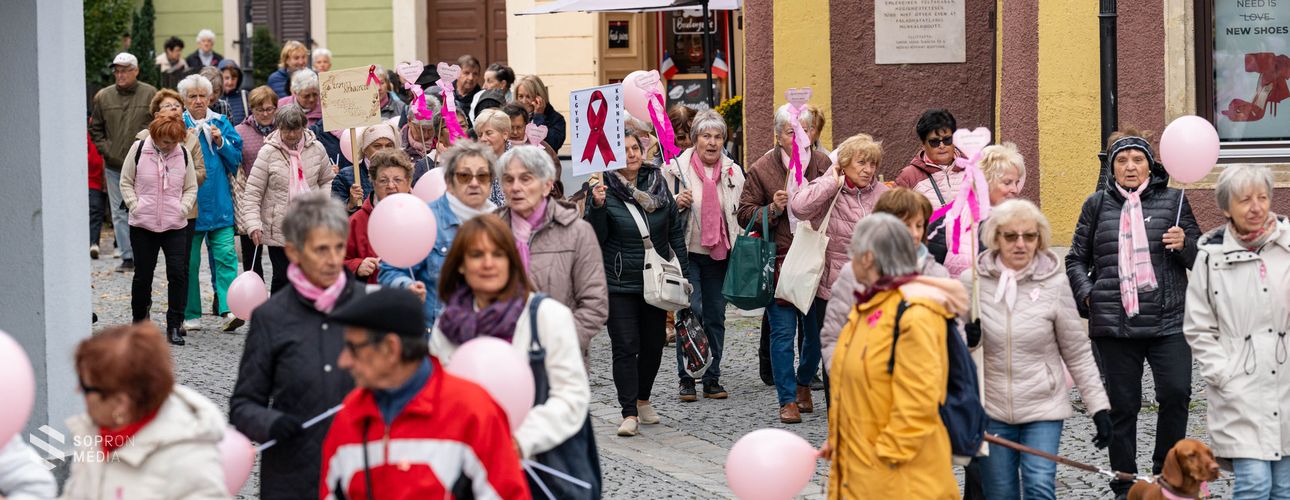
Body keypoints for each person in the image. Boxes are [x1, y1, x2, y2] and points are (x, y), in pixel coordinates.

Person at [1065, 128, 1202, 498]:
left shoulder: (1174, 200)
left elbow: (1199, 256)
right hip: (1114, 324)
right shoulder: (1096, 205)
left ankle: (1167, 475)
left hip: (1169, 320)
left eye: (1137, 159)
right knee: (1123, 407)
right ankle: (1124, 484)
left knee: (1176, 394)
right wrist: (1088, 295)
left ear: (1149, 165)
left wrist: (1184, 244)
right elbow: (1076, 259)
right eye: (1121, 160)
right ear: (1112, 167)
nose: (1129, 167)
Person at [319, 288, 530, 498]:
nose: (343, 361)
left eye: (353, 348)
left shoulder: (472, 411)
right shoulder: (350, 415)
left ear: (391, 349)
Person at [966, 199, 1113, 499]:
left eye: (1029, 236)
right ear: (995, 238)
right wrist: (966, 339)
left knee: (1038, 485)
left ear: (1039, 239)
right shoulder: (972, 283)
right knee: (1000, 493)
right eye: (1011, 236)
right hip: (991, 408)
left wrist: (1098, 407)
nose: (1020, 244)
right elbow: (949, 351)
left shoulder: (1055, 284)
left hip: (1042, 407)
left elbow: (1077, 351)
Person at [230, 192, 367, 500]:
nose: (333, 260)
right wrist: (272, 423)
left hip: (359, 471)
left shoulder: (366, 307)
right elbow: (242, 406)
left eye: (338, 247)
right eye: (321, 250)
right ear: (293, 251)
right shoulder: (271, 317)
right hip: (294, 474)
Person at [820, 213, 966, 499]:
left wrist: (884, 456)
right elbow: (855, 388)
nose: (850, 259)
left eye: (854, 252)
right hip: (860, 473)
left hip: (899, 480)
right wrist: (843, 441)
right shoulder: (867, 310)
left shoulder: (915, 315)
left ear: (869, 258)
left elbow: (920, 400)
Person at [429, 215, 591, 461]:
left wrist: (519, 440)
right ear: (460, 264)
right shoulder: (447, 326)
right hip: (467, 463)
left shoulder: (548, 317)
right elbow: (436, 398)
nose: (488, 263)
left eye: (498, 254)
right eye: (476, 255)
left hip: (536, 464)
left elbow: (572, 396)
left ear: (511, 261)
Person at [1184, 164, 1290, 499]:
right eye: (1245, 200)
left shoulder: (1286, 247)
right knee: (1255, 484)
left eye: (1262, 197)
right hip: (1239, 389)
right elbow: (1199, 326)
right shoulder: (1210, 258)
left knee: (1285, 487)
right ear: (1226, 207)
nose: (1256, 207)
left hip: (1286, 384)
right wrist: (1222, 373)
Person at [781, 133, 890, 423]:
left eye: (873, 163)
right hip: (831, 290)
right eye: (862, 162)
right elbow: (799, 206)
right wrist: (833, 179)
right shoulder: (830, 187)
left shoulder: (881, 194)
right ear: (844, 163)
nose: (868, 169)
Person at [586, 131, 687, 435]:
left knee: (654, 344)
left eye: (635, 148)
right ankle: (628, 411)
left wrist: (685, 273)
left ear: (643, 152)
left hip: (655, 280)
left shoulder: (659, 183)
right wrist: (598, 206)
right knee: (625, 345)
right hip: (618, 280)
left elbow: (674, 232)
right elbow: (596, 237)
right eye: (623, 149)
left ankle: (644, 399)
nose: (630, 154)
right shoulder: (602, 186)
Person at [737, 103, 832, 419]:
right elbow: (744, 214)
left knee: (816, 335)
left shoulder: (822, 163)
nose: (799, 137)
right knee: (782, 333)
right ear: (778, 136)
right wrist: (773, 209)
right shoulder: (762, 169)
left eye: (803, 131)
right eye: (792, 131)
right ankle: (787, 399)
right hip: (779, 261)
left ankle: (804, 380)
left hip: (816, 260)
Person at [62, 323, 229, 499]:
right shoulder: (95, 433)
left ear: (121, 403)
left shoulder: (189, 462)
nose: (77, 391)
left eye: (86, 387)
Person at [497, 146, 607, 368]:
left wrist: (560, 342)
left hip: (558, 361)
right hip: (502, 360)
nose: (516, 187)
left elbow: (595, 303)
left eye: (526, 179)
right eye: (508, 179)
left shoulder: (577, 232)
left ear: (547, 185)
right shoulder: (489, 229)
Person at [662, 109, 744, 402]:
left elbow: (740, 214)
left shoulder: (734, 171)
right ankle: (687, 378)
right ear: (695, 139)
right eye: (706, 136)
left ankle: (712, 377)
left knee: (715, 317)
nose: (712, 142)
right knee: (690, 313)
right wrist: (675, 202)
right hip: (686, 255)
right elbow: (659, 210)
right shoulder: (673, 170)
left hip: (719, 257)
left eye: (718, 136)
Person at [821, 187, 950, 369]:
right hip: (868, 385)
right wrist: (847, 375)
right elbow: (834, 336)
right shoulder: (856, 274)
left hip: (920, 386)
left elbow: (950, 337)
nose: (914, 233)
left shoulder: (936, 275)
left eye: (919, 225)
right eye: (906, 225)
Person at [379, 142, 499, 327]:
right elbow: (390, 271)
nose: (474, 182)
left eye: (482, 176)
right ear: (450, 182)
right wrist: (406, 285)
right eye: (464, 176)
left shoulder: (501, 222)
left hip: (488, 331)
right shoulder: (423, 220)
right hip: (438, 335)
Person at [120, 116, 199, 345]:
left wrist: (182, 208)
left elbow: (191, 186)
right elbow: (125, 181)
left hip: (174, 224)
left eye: (173, 142)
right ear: (154, 137)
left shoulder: (182, 153)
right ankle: (140, 322)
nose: (169, 146)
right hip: (142, 224)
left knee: (177, 274)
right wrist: (135, 205)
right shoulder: (139, 149)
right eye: (165, 141)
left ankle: (174, 324)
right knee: (143, 275)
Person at [241, 104, 334, 292]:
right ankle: (278, 316)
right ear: (279, 128)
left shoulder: (316, 148)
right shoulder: (268, 152)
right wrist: (253, 224)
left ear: (303, 127)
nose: (291, 135)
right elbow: (253, 191)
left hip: (310, 223)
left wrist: (322, 204)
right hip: (279, 225)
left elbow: (327, 179)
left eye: (295, 129)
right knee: (283, 276)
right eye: (286, 130)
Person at [178, 74, 243, 331]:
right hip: (190, 208)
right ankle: (190, 313)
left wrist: (221, 141)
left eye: (202, 96)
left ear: (210, 97)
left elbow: (236, 159)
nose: (197, 101)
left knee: (227, 256)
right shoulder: (177, 125)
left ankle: (229, 310)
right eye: (192, 96)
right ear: (184, 99)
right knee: (189, 262)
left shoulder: (221, 122)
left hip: (219, 204)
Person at [91, 52, 158, 272]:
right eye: (117, 70)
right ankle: (128, 256)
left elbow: (158, 124)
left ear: (136, 71)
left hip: (144, 162)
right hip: (114, 164)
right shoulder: (103, 96)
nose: (120, 75)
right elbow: (96, 128)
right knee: (119, 212)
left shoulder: (150, 94)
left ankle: (145, 254)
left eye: (125, 70)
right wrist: (106, 150)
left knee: (145, 208)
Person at [927, 142, 1027, 267]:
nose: (1015, 190)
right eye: (1007, 182)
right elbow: (930, 272)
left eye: (1016, 183)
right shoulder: (948, 221)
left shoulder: (1024, 222)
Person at [345, 149, 412, 284]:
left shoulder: (424, 217)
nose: (391, 186)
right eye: (383, 180)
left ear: (409, 182)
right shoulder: (356, 222)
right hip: (373, 299)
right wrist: (356, 266)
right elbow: (335, 262)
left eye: (398, 180)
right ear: (374, 183)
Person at [233, 85, 279, 278]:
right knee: (252, 258)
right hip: (251, 198)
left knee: (280, 257)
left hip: (278, 199)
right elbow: (236, 166)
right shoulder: (240, 131)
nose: (265, 114)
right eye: (260, 109)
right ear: (252, 109)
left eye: (269, 109)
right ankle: (255, 299)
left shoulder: (283, 130)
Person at [894, 108, 965, 210]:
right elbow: (897, 218)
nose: (942, 146)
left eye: (947, 140)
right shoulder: (909, 177)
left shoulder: (972, 168)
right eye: (934, 142)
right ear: (923, 144)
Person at [332, 123, 398, 212]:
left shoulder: (402, 174)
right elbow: (334, 215)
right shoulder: (345, 176)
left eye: (389, 145)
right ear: (365, 149)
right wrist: (350, 204)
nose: (383, 150)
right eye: (377, 146)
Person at [501, 102, 563, 195]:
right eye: (511, 127)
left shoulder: (540, 145)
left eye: (519, 127)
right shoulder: (499, 146)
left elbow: (555, 168)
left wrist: (550, 186)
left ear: (526, 125)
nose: (514, 132)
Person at [515, 75, 567, 150]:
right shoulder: (512, 116)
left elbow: (552, 145)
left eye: (528, 96)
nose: (524, 101)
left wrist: (539, 116)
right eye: (520, 96)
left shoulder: (556, 119)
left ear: (539, 97)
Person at [474, 108, 512, 206]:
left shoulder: (518, 160)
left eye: (489, 133)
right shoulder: (475, 163)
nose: (483, 139)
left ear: (505, 134)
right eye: (480, 134)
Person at [89, 130, 106, 259]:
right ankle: (93, 243)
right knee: (95, 210)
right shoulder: (88, 130)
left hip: (109, 172)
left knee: (118, 210)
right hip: (93, 178)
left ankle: (119, 245)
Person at [218, 59, 248, 125]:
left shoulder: (245, 96)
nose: (230, 82)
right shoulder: (214, 98)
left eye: (233, 78)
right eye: (226, 78)